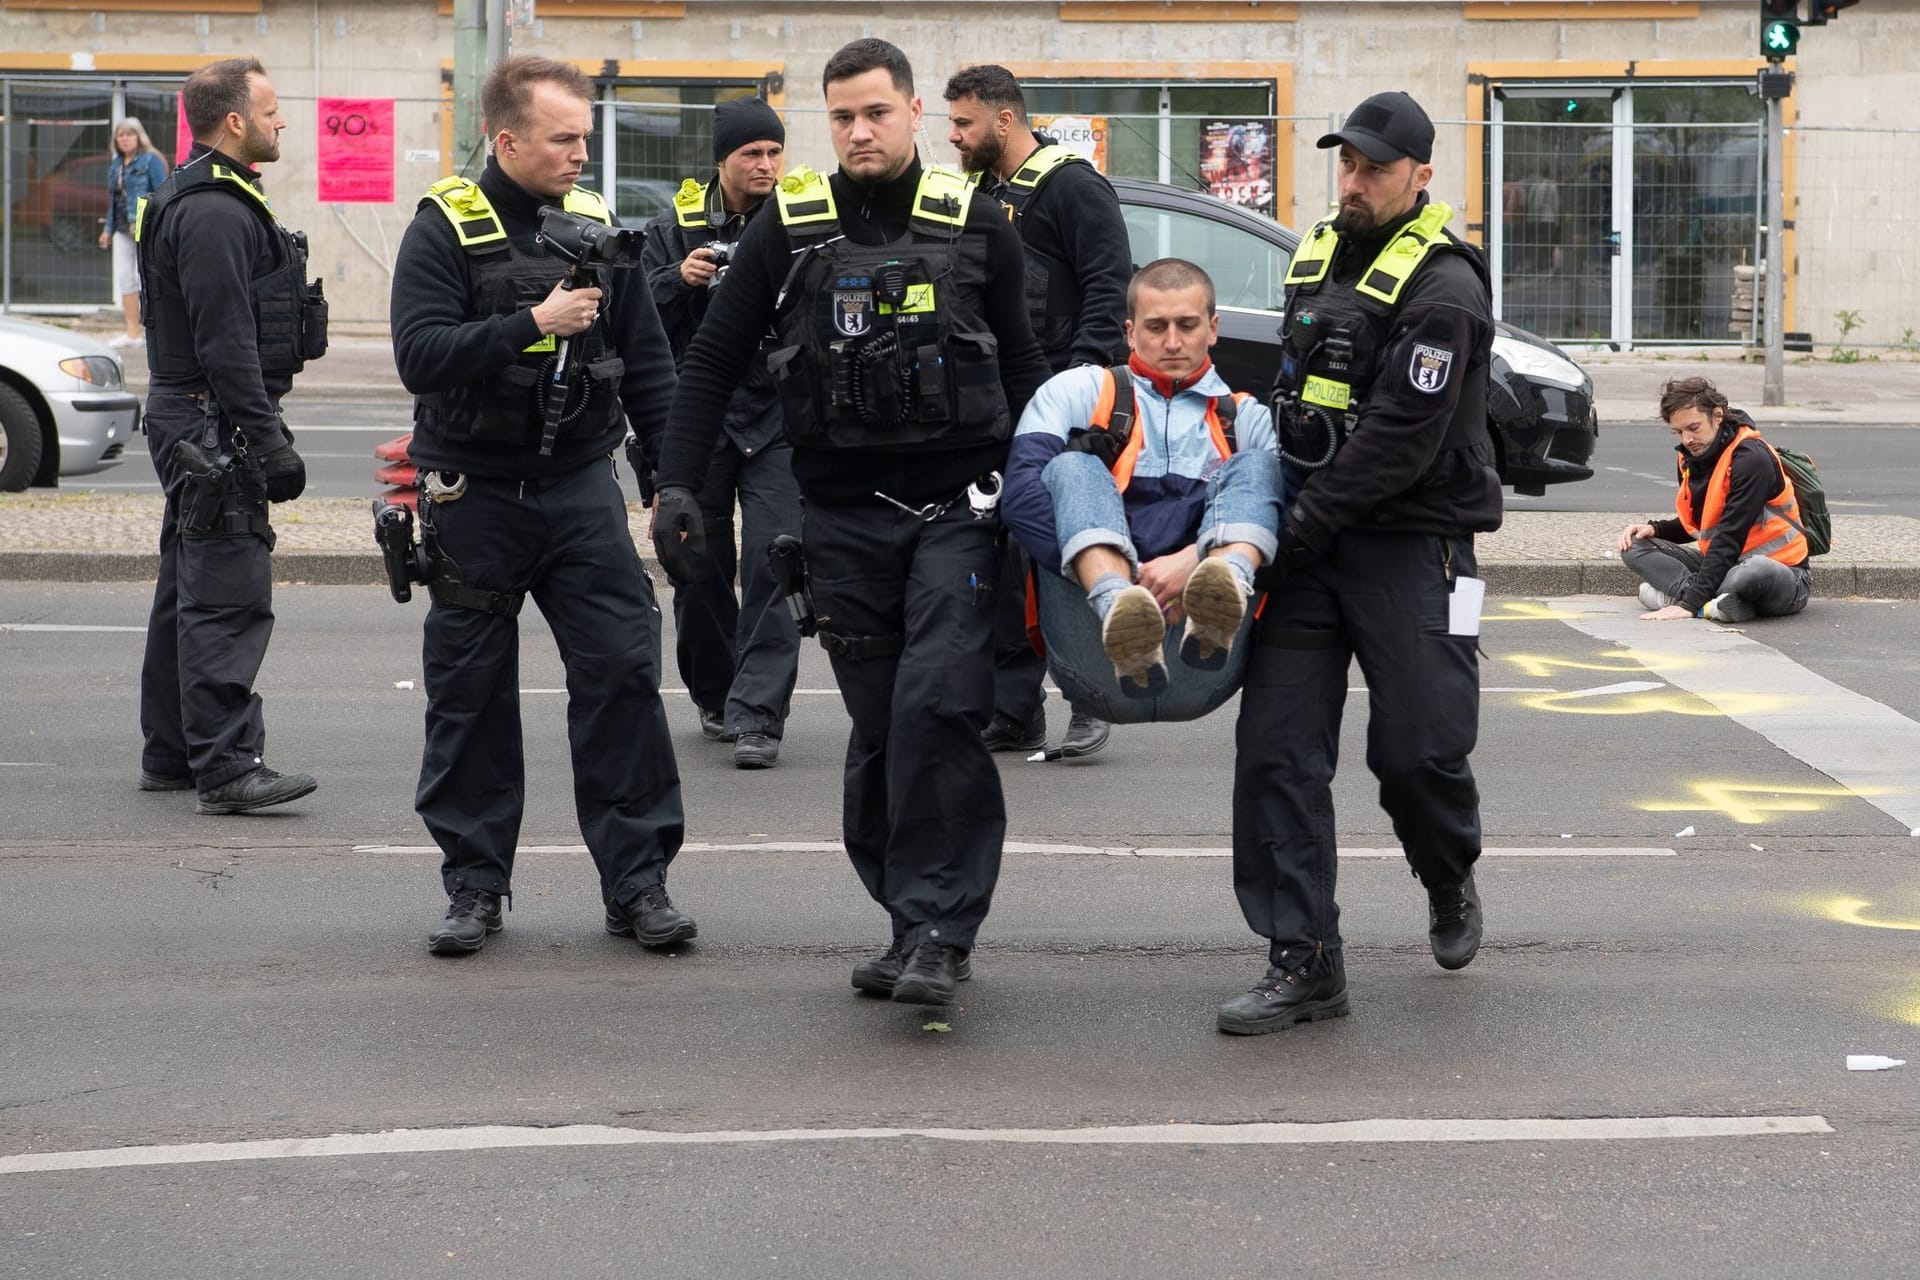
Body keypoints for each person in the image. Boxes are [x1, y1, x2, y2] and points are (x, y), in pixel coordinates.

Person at [650, 38, 1052, 1006]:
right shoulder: (787, 228)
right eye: (841, 116)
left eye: (875, 112)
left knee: (937, 708)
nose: (859, 131)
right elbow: (710, 363)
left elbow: (1027, 373)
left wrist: (1052, 506)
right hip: (838, 518)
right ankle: (908, 916)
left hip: (958, 514)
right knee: (878, 728)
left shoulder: (982, 224)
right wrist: (675, 488)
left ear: (914, 112)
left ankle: (947, 928)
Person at [390, 55, 693, 957]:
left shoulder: (598, 229)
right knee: (471, 695)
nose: (581, 153)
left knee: (623, 679)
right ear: (507, 137)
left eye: (586, 137)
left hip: (578, 493)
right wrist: (532, 323)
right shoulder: (445, 228)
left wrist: (671, 485)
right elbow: (420, 355)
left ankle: (638, 883)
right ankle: (475, 885)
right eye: (564, 139)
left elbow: (648, 366)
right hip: (472, 497)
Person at [1223, 91, 1504, 1035]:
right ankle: (1303, 960)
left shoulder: (1446, 287)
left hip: (1411, 544)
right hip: (1311, 546)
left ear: (1421, 177)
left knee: (1417, 752)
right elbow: (1292, 395)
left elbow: (1398, 443)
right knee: (1276, 754)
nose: (1354, 181)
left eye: (1375, 168)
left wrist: (1292, 532)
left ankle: (1447, 871)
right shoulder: (1315, 258)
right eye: (1347, 164)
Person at [136, 57, 322, 816]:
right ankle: (227, 766)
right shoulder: (214, 211)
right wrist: (269, 443)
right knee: (226, 596)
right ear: (236, 121)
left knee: (188, 585)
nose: (283, 122)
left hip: (196, 417)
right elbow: (226, 345)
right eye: (272, 110)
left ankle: (174, 752)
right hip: (212, 423)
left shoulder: (207, 196)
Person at [944, 64, 1132, 761]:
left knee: (1057, 553)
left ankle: (1092, 698)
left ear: (1002, 120)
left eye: (964, 123)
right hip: (987, 401)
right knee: (994, 557)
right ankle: (1014, 711)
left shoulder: (1074, 186)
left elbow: (1109, 291)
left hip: (1055, 404)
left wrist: (1076, 396)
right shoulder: (978, 193)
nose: (955, 137)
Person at [1001, 258, 1281, 718]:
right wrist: (1130, 582)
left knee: (1260, 468)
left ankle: (1224, 583)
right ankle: (1119, 607)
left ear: (1213, 329)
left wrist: (1190, 565)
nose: (1172, 341)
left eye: (1187, 325)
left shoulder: (1245, 417)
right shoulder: (1076, 391)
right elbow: (1020, 496)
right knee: (1073, 467)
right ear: (1130, 332)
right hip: (1095, 646)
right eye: (1156, 327)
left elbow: (1288, 516)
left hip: (1207, 661)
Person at [638, 97, 801, 769]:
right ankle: (718, 690)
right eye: (750, 155)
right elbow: (633, 310)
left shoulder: (799, 221)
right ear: (721, 161)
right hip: (697, 414)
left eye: (772, 153)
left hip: (778, 418)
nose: (764, 166)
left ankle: (760, 712)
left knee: (777, 557)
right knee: (696, 561)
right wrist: (680, 279)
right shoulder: (671, 228)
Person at [1618, 376, 1812, 624]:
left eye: (1693, 428)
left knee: (1753, 572)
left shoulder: (1751, 458)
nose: (1686, 439)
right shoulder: (1689, 457)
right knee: (1633, 545)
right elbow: (1703, 524)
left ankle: (1688, 599)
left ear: (1717, 415)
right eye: (1678, 432)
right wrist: (1656, 529)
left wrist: (1688, 605)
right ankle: (1717, 604)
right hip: (1723, 566)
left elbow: (1730, 535)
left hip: (1784, 573)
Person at [99, 117, 168, 348]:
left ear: (139, 136)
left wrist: (157, 225)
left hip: (143, 226)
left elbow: (162, 194)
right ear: (115, 140)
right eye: (121, 135)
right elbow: (114, 200)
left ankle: (154, 331)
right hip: (121, 228)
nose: (125, 139)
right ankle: (132, 333)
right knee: (125, 279)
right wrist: (107, 229)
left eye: (130, 134)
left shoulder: (151, 160)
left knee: (145, 278)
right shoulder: (116, 164)